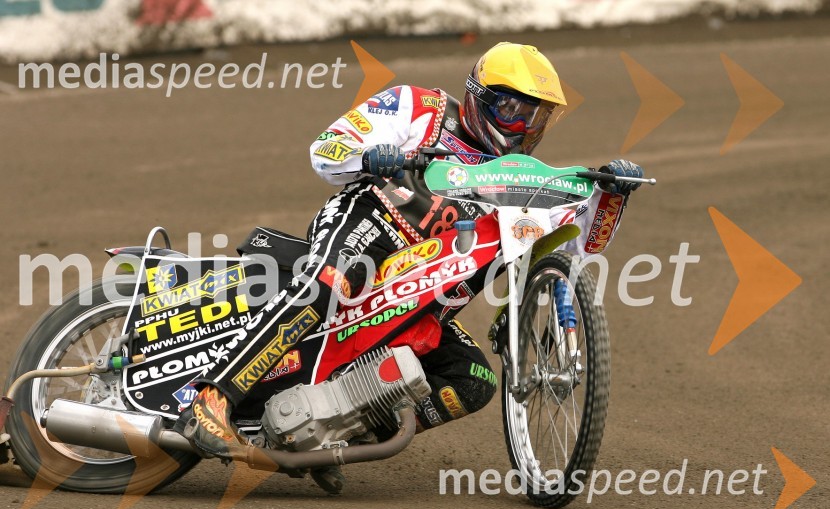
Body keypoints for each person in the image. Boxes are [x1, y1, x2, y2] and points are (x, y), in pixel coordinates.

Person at [180, 42, 644, 461]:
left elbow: (576, 247)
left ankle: (334, 434)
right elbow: (326, 148)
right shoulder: (418, 106)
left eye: (537, 116)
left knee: (474, 381)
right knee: (328, 283)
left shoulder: (521, 173)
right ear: (478, 96)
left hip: (419, 285)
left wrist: (611, 194)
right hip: (369, 223)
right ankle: (211, 398)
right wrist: (372, 155)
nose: (523, 126)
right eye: (512, 109)